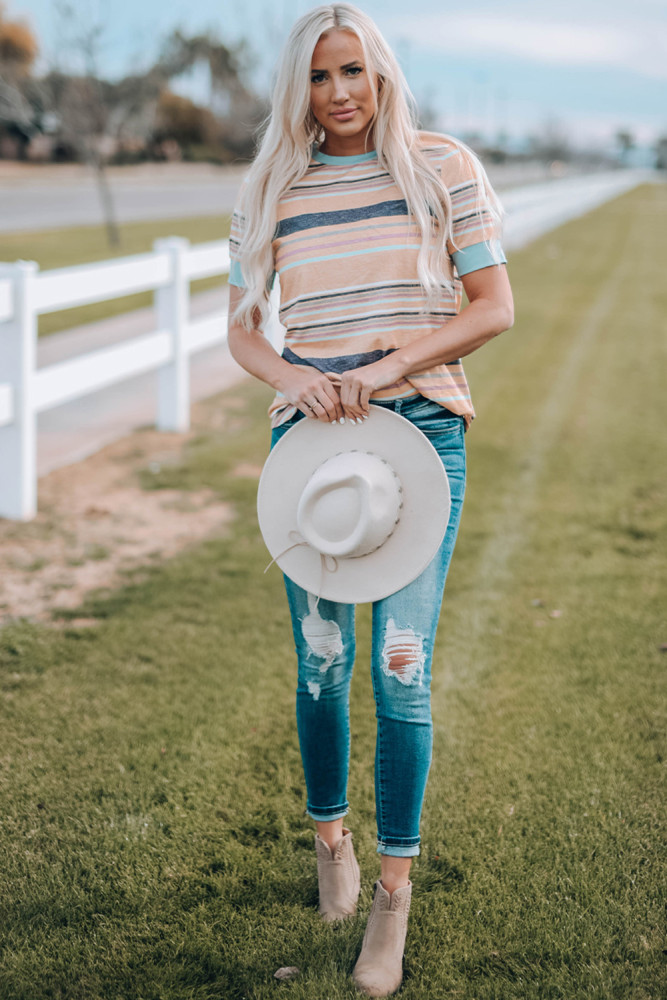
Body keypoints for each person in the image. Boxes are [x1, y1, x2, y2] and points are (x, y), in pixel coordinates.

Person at [227, 4, 513, 995]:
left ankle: (392, 893)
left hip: (419, 435)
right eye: (318, 77)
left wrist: (389, 365)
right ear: (296, 90)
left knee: (398, 666)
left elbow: (494, 307)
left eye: (353, 70)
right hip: (308, 451)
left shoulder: (442, 167)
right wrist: (295, 379)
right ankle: (329, 840)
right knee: (320, 662)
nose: (339, 93)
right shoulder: (271, 186)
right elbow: (244, 333)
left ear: (380, 72)